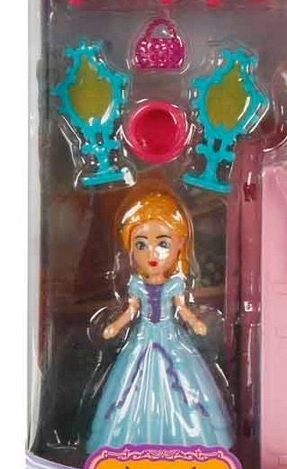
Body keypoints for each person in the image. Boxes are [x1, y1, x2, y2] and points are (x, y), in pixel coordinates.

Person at [86, 190, 234, 452]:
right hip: (142, 338)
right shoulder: (136, 284)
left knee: (183, 386)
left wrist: (195, 322)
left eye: (163, 243)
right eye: (141, 244)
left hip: (170, 337)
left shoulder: (175, 284)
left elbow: (182, 308)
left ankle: (185, 440)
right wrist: (115, 326)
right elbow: (131, 311)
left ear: (180, 245)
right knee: (131, 386)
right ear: (130, 250)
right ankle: (133, 442)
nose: (152, 253)